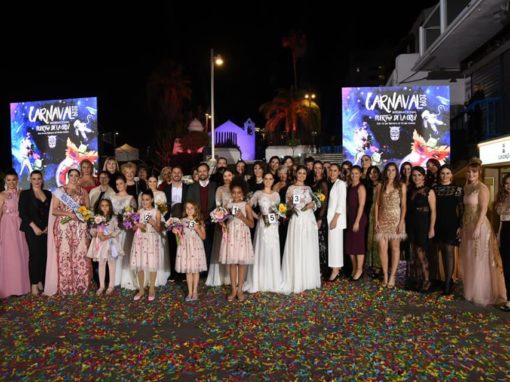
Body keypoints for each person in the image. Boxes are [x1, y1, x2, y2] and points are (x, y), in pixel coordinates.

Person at [460, 158, 506, 306]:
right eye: (468, 172)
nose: (471, 174)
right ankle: (470, 291)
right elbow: (465, 209)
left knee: (479, 258)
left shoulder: (483, 188)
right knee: (469, 258)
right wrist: (462, 226)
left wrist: (478, 227)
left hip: (479, 226)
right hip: (468, 226)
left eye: (474, 172)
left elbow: (484, 210)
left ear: (479, 173)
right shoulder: (466, 187)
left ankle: (481, 293)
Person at [45, 168, 91, 295]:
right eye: (72, 175)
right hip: (63, 227)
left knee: (80, 253)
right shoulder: (60, 191)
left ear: (79, 177)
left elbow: (88, 209)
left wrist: (82, 214)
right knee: (65, 253)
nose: (74, 178)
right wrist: (69, 214)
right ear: (67, 176)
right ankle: (65, 286)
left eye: (77, 175)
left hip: (80, 227)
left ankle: (81, 284)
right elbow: (54, 210)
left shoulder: (84, 192)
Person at [282, 166, 321, 293]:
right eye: (300, 173)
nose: (302, 175)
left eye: (304, 173)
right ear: (295, 174)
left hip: (309, 219)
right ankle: (297, 279)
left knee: (308, 247)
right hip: (297, 219)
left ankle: (308, 279)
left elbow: (315, 203)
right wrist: (291, 203)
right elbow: (287, 207)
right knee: (297, 246)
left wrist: (313, 204)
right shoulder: (290, 188)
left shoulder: (309, 188)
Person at [245, 172, 282, 293]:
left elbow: (280, 211)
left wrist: (277, 217)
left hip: (273, 226)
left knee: (272, 250)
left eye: (270, 179)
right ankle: (259, 281)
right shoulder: (258, 193)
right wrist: (257, 216)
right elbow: (248, 206)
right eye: (266, 178)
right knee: (262, 250)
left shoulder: (276, 195)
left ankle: (272, 280)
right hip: (262, 226)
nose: (268, 181)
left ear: (273, 180)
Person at [219, 179, 254, 302]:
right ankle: (233, 290)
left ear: (243, 193)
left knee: (242, 263)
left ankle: (240, 290)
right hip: (231, 236)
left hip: (242, 236)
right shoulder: (227, 205)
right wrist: (222, 224)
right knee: (233, 263)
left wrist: (242, 217)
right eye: (234, 192)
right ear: (231, 193)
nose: (236, 195)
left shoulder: (246, 205)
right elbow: (222, 220)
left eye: (239, 192)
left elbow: (251, 224)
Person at [18, 170, 52, 296]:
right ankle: (33, 284)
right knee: (34, 256)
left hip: (46, 230)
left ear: (42, 180)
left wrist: (48, 226)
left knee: (44, 256)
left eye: (39, 178)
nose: (37, 181)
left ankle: (40, 282)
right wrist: (34, 227)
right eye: (34, 179)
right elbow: (22, 213)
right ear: (30, 180)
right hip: (32, 229)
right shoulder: (25, 194)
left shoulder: (48, 193)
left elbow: (51, 212)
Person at [375, 162, 407, 289]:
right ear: (385, 172)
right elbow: (377, 204)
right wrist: (376, 220)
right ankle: (385, 275)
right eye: (388, 170)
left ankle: (393, 276)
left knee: (394, 248)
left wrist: (401, 222)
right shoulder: (380, 185)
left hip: (395, 219)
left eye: (393, 170)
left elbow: (404, 206)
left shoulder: (401, 186)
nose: (390, 172)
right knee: (382, 248)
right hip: (382, 219)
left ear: (396, 172)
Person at [0, 169, 30, 298]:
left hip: (20, 226)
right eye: (9, 180)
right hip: (7, 226)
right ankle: (9, 287)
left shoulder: (21, 193)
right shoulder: (1, 195)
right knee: (10, 255)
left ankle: (21, 286)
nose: (11, 182)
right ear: (5, 181)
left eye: (13, 180)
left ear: (17, 180)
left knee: (22, 254)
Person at [434, 164, 463, 295]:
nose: (445, 176)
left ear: (452, 175)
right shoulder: (434, 189)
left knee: (449, 252)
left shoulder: (457, 189)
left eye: (447, 173)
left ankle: (448, 282)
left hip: (452, 224)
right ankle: (442, 279)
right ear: (439, 175)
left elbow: (462, 209)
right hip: (437, 224)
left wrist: (460, 226)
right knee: (440, 252)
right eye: (442, 173)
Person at [407, 166, 436, 292]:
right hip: (412, 223)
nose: (416, 177)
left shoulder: (429, 191)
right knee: (414, 252)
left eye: (419, 175)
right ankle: (417, 279)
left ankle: (427, 280)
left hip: (424, 223)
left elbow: (434, 212)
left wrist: (431, 228)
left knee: (422, 253)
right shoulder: (410, 190)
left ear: (424, 176)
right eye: (414, 175)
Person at [87, 198, 124, 296]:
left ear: (110, 206)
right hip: (100, 243)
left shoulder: (114, 218)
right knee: (101, 264)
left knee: (111, 263)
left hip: (110, 242)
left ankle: (111, 285)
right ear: (99, 207)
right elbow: (92, 230)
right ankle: (102, 286)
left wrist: (109, 236)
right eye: (102, 205)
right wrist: (97, 234)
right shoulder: (96, 218)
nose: (104, 207)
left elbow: (118, 230)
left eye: (107, 205)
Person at [131, 190, 162, 301]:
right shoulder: (139, 211)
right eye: (143, 200)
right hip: (140, 240)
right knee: (140, 264)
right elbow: (134, 228)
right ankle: (141, 289)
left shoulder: (156, 212)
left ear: (152, 200)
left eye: (147, 199)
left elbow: (159, 229)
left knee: (152, 263)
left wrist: (153, 223)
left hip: (151, 239)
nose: (145, 202)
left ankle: (152, 289)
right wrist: (136, 225)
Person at [206, 169, 233, 287]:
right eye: (224, 176)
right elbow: (218, 206)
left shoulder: (237, 188)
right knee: (221, 248)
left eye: (229, 175)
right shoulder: (220, 189)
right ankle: (222, 276)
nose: (227, 178)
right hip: (223, 222)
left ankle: (232, 277)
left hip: (235, 221)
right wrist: (221, 220)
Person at [110, 174, 138, 290]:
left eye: (121, 183)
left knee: (126, 252)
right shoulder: (112, 197)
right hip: (115, 227)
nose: (119, 186)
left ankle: (126, 278)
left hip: (127, 229)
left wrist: (128, 220)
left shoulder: (131, 198)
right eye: (117, 184)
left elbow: (135, 216)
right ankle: (114, 279)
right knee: (114, 252)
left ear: (125, 184)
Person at [175, 202, 207, 301]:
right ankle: (189, 292)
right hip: (186, 248)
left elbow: (203, 237)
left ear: (195, 209)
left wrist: (197, 229)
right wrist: (176, 233)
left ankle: (195, 292)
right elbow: (179, 238)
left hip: (196, 247)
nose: (189, 210)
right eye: (187, 208)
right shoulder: (181, 221)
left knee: (195, 270)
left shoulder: (199, 221)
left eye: (192, 208)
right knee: (189, 271)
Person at [186, 163, 217, 267]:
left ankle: (209, 269)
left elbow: (217, 204)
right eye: (200, 171)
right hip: (197, 221)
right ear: (197, 173)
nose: (202, 173)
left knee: (211, 246)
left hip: (212, 221)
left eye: (204, 171)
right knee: (198, 246)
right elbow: (190, 204)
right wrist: (199, 219)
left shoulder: (214, 186)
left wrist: (210, 217)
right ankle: (199, 269)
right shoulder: (192, 187)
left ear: (208, 172)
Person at [163, 166, 188, 282]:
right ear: (171, 175)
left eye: (179, 172)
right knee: (172, 247)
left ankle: (183, 273)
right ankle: (173, 273)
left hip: (184, 221)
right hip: (171, 222)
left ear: (182, 174)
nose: (176, 174)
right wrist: (168, 221)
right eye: (174, 172)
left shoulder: (188, 188)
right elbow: (163, 206)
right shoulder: (166, 189)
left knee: (183, 247)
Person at [346, 166, 368, 281]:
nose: (354, 175)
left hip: (358, 219)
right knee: (350, 244)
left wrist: (357, 221)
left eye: (356, 173)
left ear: (360, 174)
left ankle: (360, 269)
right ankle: (354, 268)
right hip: (350, 219)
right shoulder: (350, 186)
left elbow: (361, 205)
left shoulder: (361, 187)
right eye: (352, 173)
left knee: (358, 245)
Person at [327, 164, 347, 281]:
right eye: (331, 170)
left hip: (336, 220)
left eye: (335, 171)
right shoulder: (331, 184)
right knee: (333, 244)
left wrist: (335, 219)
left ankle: (336, 269)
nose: (332, 173)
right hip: (330, 218)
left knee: (336, 245)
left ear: (339, 172)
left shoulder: (341, 184)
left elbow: (341, 203)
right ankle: (335, 268)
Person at [496, 174, 510, 311]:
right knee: (507, 268)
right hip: (505, 234)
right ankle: (509, 301)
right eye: (506, 183)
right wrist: (498, 236)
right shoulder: (502, 198)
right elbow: (501, 221)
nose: (508, 186)